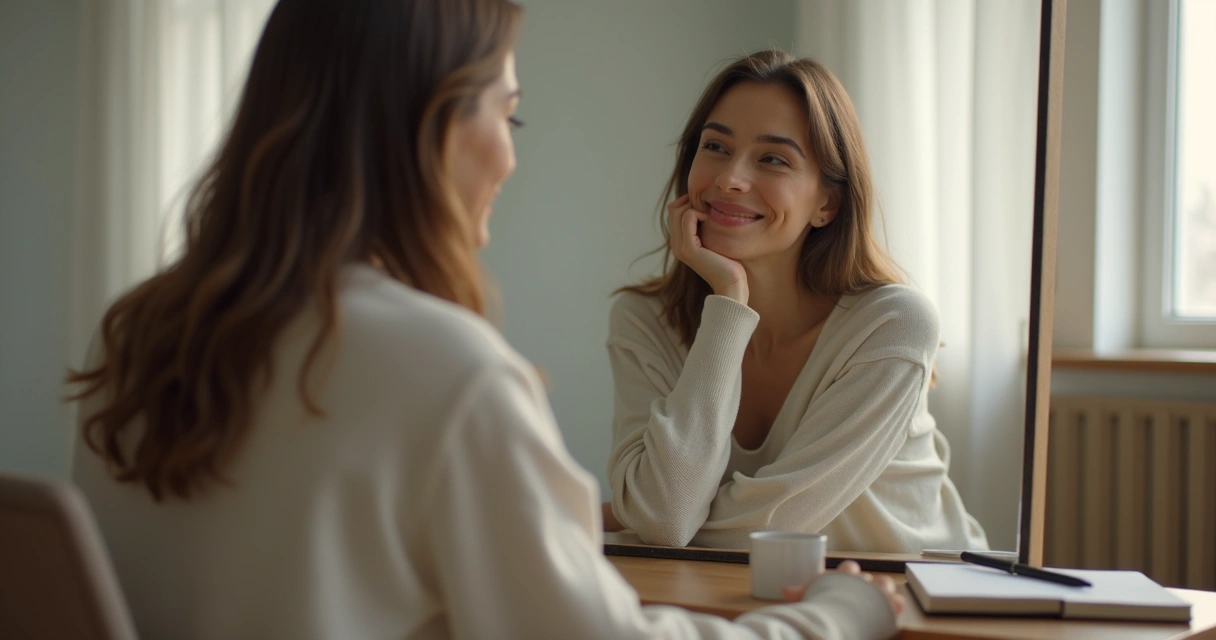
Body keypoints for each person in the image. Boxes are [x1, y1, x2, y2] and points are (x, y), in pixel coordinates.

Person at [66, 1, 904, 638]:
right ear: (428, 130)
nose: (509, 154)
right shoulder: (448, 374)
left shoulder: (136, 337)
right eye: (507, 115)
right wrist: (838, 612)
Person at [603, 50, 989, 553]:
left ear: (826, 203)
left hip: (918, 603)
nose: (729, 179)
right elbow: (665, 520)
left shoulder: (895, 323)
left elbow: (731, 527)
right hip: (755, 598)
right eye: (715, 146)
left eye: (773, 159)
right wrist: (729, 303)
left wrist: (630, 518)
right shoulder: (644, 320)